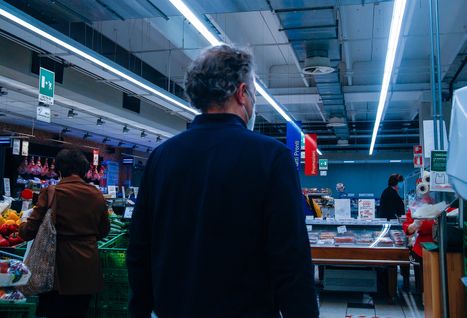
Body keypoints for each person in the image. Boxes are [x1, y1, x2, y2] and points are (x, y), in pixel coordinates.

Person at [127, 45, 319, 318]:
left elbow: (139, 252)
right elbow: (291, 261)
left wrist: (140, 311)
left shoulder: (161, 157)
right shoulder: (272, 157)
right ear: (241, 93)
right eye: (253, 92)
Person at [19, 149, 110, 318]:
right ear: (83, 170)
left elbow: (29, 232)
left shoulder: (51, 192)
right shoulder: (97, 195)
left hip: (56, 268)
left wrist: (22, 224)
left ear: (59, 170)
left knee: (54, 312)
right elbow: (104, 231)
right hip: (87, 268)